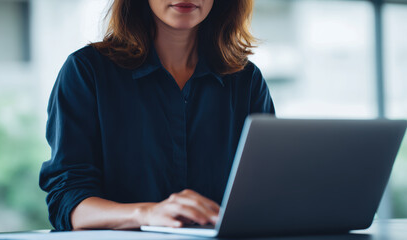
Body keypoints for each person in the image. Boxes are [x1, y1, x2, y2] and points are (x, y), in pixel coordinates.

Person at [39, 0, 275, 231]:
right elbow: (68, 201)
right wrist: (148, 213)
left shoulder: (246, 80)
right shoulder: (86, 71)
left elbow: (268, 192)